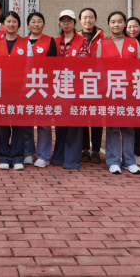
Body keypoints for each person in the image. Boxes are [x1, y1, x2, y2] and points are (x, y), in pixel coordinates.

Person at [97, 11, 140, 175]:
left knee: (129, 127)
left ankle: (129, 161)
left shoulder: (133, 42)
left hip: (130, 91)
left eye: (119, 21)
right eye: (113, 22)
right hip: (111, 91)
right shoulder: (103, 44)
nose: (116, 24)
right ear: (108, 25)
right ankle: (113, 161)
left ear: (124, 24)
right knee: (113, 127)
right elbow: (99, 69)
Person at [0, 11, 29, 170]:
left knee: (18, 124)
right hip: (1, 89)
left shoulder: (25, 43)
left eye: (14, 21)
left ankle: (17, 157)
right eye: (8, 21)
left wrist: (25, 87)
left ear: (18, 24)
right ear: (3, 24)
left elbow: (30, 67)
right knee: (1, 125)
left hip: (19, 89)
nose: (11, 24)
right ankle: (3, 157)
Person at [52, 10, 85, 170]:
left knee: (74, 124)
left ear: (75, 23)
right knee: (61, 123)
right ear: (60, 23)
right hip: (58, 87)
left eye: (69, 21)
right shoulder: (55, 41)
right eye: (63, 21)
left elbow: (83, 62)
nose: (66, 23)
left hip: (75, 87)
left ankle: (71, 160)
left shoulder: (82, 40)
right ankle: (58, 157)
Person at [24, 12, 57, 168]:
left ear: (43, 24)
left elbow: (53, 66)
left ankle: (44, 155)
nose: (36, 24)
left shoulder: (50, 41)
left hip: (44, 86)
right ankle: (27, 153)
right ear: (28, 25)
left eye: (39, 21)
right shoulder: (22, 42)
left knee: (44, 123)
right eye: (33, 21)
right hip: (26, 86)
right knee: (26, 121)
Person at [77, 7, 106, 164]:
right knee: (82, 116)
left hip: (98, 81)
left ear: (95, 19)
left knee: (96, 116)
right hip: (80, 82)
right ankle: (83, 149)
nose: (88, 20)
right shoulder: (75, 36)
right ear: (80, 20)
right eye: (85, 18)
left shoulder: (104, 36)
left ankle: (95, 151)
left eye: (91, 17)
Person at [124, 17, 140, 166]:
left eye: (135, 26)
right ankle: (126, 152)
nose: (132, 29)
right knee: (126, 121)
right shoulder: (122, 43)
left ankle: (138, 153)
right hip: (123, 86)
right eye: (129, 27)